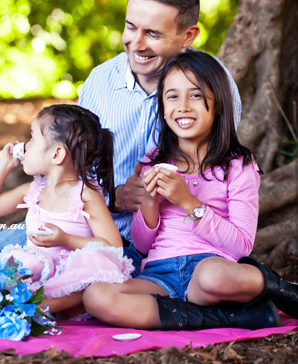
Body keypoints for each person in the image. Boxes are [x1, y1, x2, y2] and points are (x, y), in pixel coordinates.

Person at [0, 0, 242, 320]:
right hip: (80, 225)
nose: (137, 43)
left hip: (155, 246)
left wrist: (160, 199)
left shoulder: (210, 86)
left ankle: (38, 300)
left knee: (88, 281)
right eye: (131, 27)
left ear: (188, 35)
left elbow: (222, 175)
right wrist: (112, 195)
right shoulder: (101, 82)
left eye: (153, 34)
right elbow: (74, 163)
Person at [82, 51, 297, 330]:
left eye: (195, 95)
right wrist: (149, 203)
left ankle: (283, 291)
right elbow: (144, 245)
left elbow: (242, 244)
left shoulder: (237, 165)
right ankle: (234, 318)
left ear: (218, 103)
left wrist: (188, 202)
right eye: (172, 96)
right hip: (160, 276)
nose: (182, 106)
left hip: (210, 269)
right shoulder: (155, 160)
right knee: (96, 296)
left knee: (212, 277)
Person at [0, 104, 133, 322]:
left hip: (70, 276)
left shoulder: (84, 196)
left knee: (92, 266)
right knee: (17, 264)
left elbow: (113, 247)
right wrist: (3, 165)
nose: (25, 146)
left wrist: (66, 239)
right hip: (34, 272)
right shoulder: (35, 190)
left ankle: (37, 307)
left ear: (57, 154)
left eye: (32, 139)